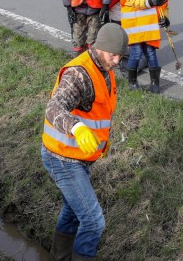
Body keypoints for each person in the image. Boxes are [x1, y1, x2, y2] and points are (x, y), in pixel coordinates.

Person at [41, 22, 128, 261]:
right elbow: (54, 108)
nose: (117, 60)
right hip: (62, 158)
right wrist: (77, 128)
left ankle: (59, 257)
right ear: (100, 48)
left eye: (121, 55)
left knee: (72, 210)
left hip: (79, 156)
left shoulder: (104, 68)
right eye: (114, 54)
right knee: (93, 221)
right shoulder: (78, 74)